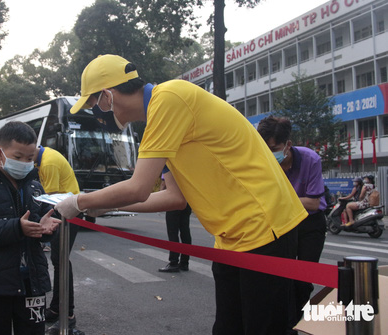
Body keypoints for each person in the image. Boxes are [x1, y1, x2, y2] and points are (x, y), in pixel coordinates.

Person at [54, 54, 307, 335]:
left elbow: (138, 187)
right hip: (233, 235)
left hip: (265, 225)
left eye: (92, 105)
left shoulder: (170, 99)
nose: (96, 114)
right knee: (228, 328)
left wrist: (79, 201)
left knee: (262, 328)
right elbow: (175, 197)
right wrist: (107, 208)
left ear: (107, 96)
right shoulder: (160, 119)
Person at [0, 121, 61, 335]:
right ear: (0, 153)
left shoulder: (35, 187)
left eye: (30, 158)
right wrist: (17, 228)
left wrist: (48, 229)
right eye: (17, 157)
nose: (24, 163)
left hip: (32, 283)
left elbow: (45, 225)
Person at [257, 115, 327, 332]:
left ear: (288, 144)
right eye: (265, 148)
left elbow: (313, 202)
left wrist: (280, 198)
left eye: (274, 148)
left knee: (302, 280)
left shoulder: (310, 159)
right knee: (281, 279)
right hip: (283, 222)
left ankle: (299, 324)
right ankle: (285, 326)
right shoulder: (264, 162)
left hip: (310, 223)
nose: (270, 153)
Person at [33, 146, 80, 330]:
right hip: (64, 210)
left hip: (67, 212)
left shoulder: (48, 162)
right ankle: (56, 309)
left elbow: (49, 199)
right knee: (58, 260)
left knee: (60, 260)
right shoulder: (41, 159)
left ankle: (67, 313)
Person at [157, 174, 192, 273]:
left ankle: (173, 262)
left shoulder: (170, 166)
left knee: (173, 232)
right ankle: (185, 263)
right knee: (185, 231)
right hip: (187, 201)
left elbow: (164, 183)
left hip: (174, 201)